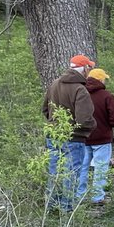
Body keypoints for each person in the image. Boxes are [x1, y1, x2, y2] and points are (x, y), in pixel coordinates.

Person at [42, 54, 97, 210]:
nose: (90, 70)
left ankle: (51, 207)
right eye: (89, 67)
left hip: (53, 136)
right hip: (73, 139)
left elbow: (45, 109)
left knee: (54, 172)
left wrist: (55, 124)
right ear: (85, 68)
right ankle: (67, 210)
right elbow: (84, 120)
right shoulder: (81, 89)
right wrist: (93, 125)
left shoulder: (54, 84)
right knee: (71, 174)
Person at [84, 68, 114, 206]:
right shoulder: (106, 96)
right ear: (100, 80)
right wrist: (109, 125)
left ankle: (79, 195)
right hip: (102, 137)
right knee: (100, 168)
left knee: (83, 167)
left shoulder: (80, 93)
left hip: (83, 136)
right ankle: (97, 197)